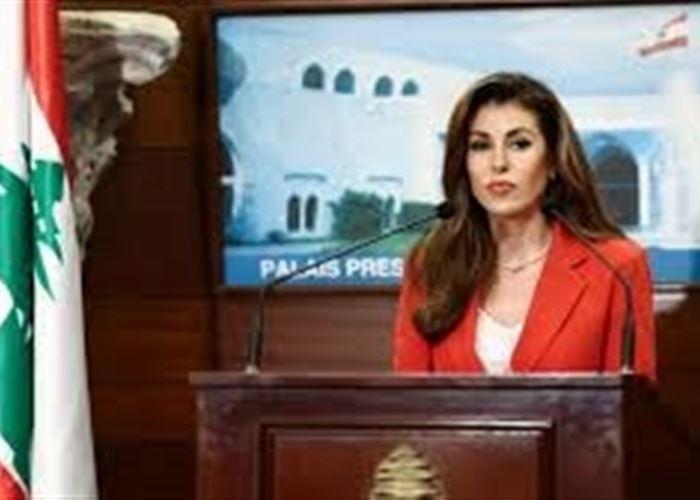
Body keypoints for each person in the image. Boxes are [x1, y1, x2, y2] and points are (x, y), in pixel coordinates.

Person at [393, 72, 656, 380]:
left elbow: (631, 404)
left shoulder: (617, 267)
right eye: (480, 145)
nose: (498, 163)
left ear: (554, 161)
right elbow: (408, 400)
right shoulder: (429, 266)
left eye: (519, 144)